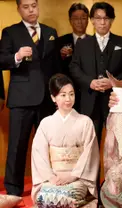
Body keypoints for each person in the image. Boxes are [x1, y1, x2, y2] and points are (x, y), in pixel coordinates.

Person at [0, 0, 61, 196]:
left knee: (49, 147)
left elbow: (55, 65)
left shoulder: (50, 31)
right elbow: (1, 60)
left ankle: (47, 185)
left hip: (47, 99)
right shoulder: (10, 32)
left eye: (33, 5)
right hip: (21, 99)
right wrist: (16, 56)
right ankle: (13, 190)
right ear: (18, 9)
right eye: (25, 7)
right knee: (17, 146)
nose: (31, 10)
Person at [31, 73, 100, 207]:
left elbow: (90, 155)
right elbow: (39, 155)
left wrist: (72, 176)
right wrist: (51, 177)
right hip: (52, 178)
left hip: (78, 178)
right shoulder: (46, 123)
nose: (68, 99)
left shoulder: (85, 122)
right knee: (46, 197)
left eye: (71, 94)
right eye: (63, 95)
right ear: (53, 97)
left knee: (66, 197)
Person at [69, 1, 122, 144]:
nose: (102, 22)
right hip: (89, 101)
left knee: (116, 144)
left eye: (106, 18)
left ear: (112, 20)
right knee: (90, 144)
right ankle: (92, 168)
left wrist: (113, 82)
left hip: (115, 101)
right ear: (92, 20)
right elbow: (74, 67)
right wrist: (89, 82)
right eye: (98, 18)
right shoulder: (82, 43)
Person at [57, 3, 89, 112]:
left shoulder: (94, 42)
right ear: (70, 20)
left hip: (88, 94)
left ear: (88, 20)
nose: (79, 22)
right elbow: (54, 69)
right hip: (66, 95)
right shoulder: (59, 42)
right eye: (75, 18)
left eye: (83, 18)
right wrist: (60, 56)